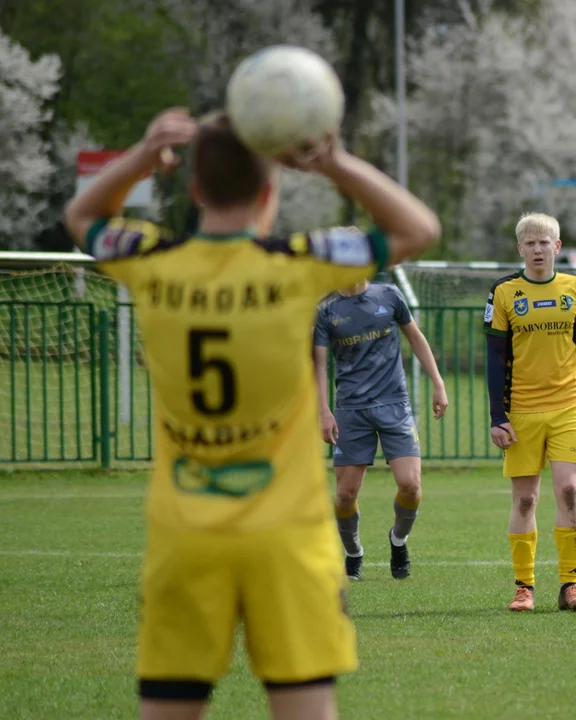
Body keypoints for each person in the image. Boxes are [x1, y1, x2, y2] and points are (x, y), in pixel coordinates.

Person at [62, 107, 440, 720]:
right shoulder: (297, 264)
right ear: (271, 188)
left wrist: (142, 151)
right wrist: (332, 162)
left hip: (187, 536)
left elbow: (81, 217)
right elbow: (418, 227)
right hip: (286, 539)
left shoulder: (155, 262)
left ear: (192, 189)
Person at [483, 212, 576, 613]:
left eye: (544, 242)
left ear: (557, 246)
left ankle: (570, 585)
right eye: (529, 243)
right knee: (526, 499)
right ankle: (524, 588)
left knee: (569, 490)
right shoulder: (503, 293)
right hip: (521, 412)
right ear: (520, 248)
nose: (537, 249)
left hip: (569, 406)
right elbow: (495, 359)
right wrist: (498, 416)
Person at [313, 275, 448, 581]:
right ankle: (353, 553)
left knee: (411, 486)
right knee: (345, 495)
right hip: (350, 410)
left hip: (394, 404)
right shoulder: (326, 310)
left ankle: (398, 541)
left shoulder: (389, 295)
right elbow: (318, 364)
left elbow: (415, 337)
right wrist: (324, 411)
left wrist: (438, 383)